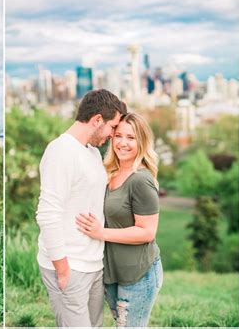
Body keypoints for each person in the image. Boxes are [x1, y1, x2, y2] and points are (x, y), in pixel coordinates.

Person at [36, 89, 127, 327]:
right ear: (97, 120)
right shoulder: (61, 151)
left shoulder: (92, 152)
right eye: (112, 127)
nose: (113, 134)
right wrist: (63, 269)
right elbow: (47, 214)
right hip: (70, 264)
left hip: (93, 263)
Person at [76, 112, 163, 327]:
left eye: (131, 138)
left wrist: (100, 233)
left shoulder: (140, 180)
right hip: (113, 272)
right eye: (119, 136)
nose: (123, 143)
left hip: (137, 274)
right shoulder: (110, 173)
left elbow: (147, 232)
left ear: (142, 142)